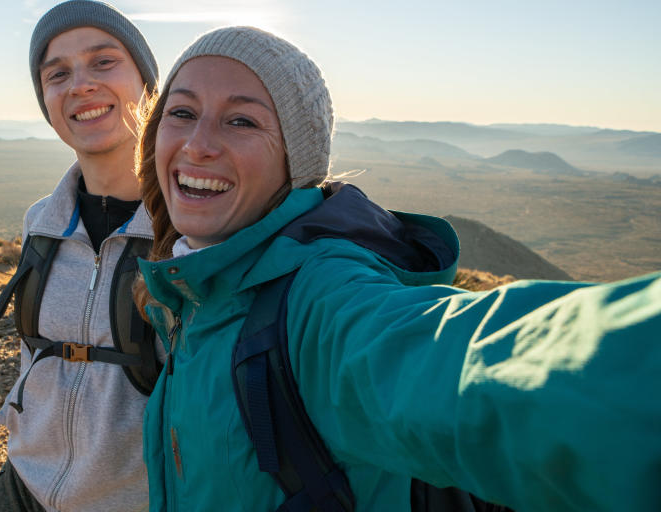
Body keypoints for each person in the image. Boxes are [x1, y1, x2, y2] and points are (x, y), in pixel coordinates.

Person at [132, 25, 661, 511]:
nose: (197, 144)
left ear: (297, 163)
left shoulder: (318, 302)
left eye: (241, 120)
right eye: (181, 112)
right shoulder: (196, 289)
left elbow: (476, 366)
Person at [0, 0, 160, 512]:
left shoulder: (189, 231)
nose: (80, 84)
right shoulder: (41, 222)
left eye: (104, 62)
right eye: (57, 73)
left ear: (148, 85)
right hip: (23, 489)